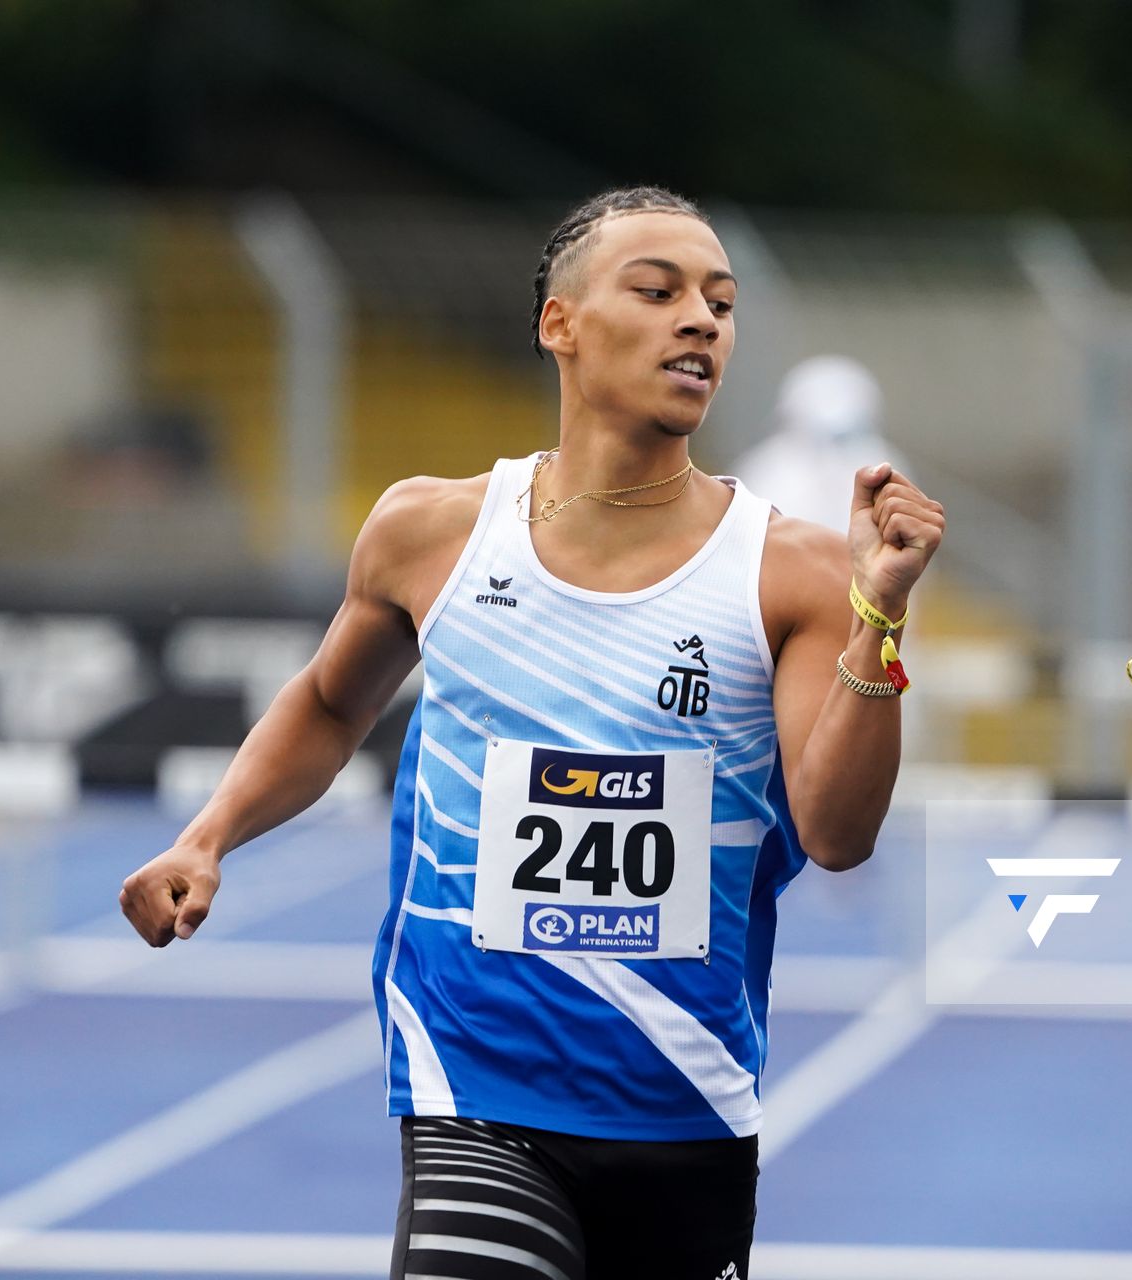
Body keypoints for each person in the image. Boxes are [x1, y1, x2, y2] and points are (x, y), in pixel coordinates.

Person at [119, 186, 945, 1280]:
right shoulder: (431, 530)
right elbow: (328, 702)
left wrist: (880, 614)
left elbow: (838, 834)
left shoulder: (789, 567)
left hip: (684, 1097)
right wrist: (207, 835)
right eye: (656, 291)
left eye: (721, 302)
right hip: (474, 1083)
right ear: (560, 323)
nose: (698, 320)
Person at [732, 354, 909, 534]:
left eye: (845, 438)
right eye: (816, 438)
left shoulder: (886, 466)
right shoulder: (763, 473)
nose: (832, 458)